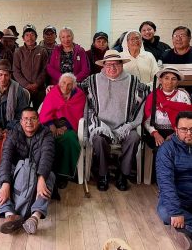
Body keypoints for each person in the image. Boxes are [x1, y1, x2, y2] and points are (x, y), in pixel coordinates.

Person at [80, 50, 148, 191]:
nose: (112, 68)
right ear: (103, 66)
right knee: (98, 139)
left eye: (116, 64)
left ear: (122, 65)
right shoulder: (93, 81)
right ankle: (103, 174)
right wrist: (54, 87)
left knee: (134, 137)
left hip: (124, 126)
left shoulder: (133, 81)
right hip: (101, 126)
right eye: (108, 65)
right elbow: (74, 87)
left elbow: (146, 94)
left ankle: (123, 174)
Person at [0, 107, 55, 235]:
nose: (29, 122)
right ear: (21, 122)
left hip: (36, 173)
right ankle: (9, 214)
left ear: (39, 120)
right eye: (25, 119)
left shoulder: (46, 134)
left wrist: (41, 179)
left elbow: (47, 157)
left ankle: (35, 217)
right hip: (16, 174)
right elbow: (6, 158)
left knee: (50, 176)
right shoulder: (13, 134)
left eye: (33, 119)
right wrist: (5, 183)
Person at [39, 73, 86, 188]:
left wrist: (65, 128)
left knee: (70, 139)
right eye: (64, 83)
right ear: (59, 83)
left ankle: (63, 175)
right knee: (46, 139)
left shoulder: (79, 95)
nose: (66, 86)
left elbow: (77, 115)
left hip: (68, 127)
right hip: (50, 125)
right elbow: (45, 112)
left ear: (74, 85)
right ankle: (47, 172)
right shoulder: (53, 92)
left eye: (70, 84)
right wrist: (52, 126)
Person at [156, 111, 192, 249]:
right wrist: (176, 211)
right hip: (178, 199)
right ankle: (183, 227)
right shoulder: (166, 150)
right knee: (166, 212)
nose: (188, 133)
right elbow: (165, 183)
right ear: (176, 130)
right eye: (184, 129)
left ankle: (185, 230)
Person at [144, 66, 192, 149]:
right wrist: (155, 133)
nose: (169, 82)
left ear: (177, 82)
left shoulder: (183, 95)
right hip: (156, 131)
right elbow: (147, 120)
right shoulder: (153, 96)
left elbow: (189, 118)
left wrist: (175, 134)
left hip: (179, 131)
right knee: (161, 148)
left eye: (173, 79)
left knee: (176, 146)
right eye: (166, 78)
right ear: (160, 80)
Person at [13, 24, 48, 110]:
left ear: (36, 37)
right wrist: (26, 85)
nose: (29, 37)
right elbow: (16, 71)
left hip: (39, 89)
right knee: (23, 112)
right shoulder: (18, 51)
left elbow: (45, 70)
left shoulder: (42, 51)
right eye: (27, 35)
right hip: (23, 89)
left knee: (40, 112)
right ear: (23, 38)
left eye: (32, 34)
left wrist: (36, 84)